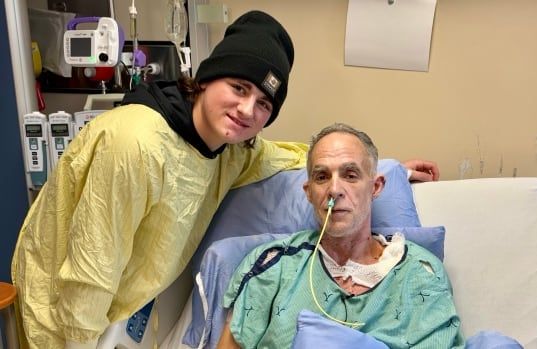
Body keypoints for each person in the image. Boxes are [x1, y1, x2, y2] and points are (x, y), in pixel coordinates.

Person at [11, 11, 438, 349]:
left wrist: (387, 169)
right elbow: (89, 275)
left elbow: (282, 154)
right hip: (63, 316)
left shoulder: (228, 150)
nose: (247, 110)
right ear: (206, 78)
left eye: (264, 103)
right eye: (238, 87)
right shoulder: (135, 144)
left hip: (124, 307)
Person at [217, 123, 463, 349]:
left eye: (350, 175)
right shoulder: (274, 264)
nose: (334, 190)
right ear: (309, 192)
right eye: (322, 177)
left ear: (375, 187)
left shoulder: (422, 273)